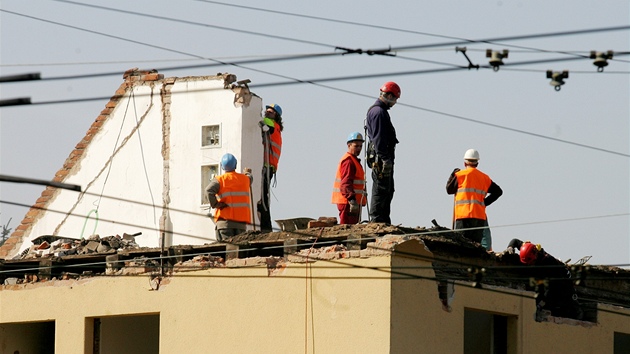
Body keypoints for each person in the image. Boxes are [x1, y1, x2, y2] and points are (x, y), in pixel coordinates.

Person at [506, 238, 582, 320]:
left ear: (535, 257)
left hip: (562, 281)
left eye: (531, 263)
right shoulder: (528, 248)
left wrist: (542, 303)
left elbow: (551, 289)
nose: (530, 265)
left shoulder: (548, 263)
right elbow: (515, 241)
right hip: (546, 278)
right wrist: (510, 247)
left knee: (565, 305)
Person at [446, 149, 502, 248]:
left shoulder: (459, 176)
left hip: (463, 217)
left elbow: (449, 190)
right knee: (475, 248)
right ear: (477, 163)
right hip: (479, 217)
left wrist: (452, 175)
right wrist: (484, 203)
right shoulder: (485, 178)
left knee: (460, 246)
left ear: (464, 163)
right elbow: (498, 191)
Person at [365, 81, 400, 224]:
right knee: (381, 189)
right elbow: (379, 139)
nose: (395, 102)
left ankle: (383, 220)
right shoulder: (378, 112)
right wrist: (385, 160)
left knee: (388, 190)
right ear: (390, 95)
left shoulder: (379, 111)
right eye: (395, 99)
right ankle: (377, 221)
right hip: (381, 159)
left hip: (382, 157)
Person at [206, 153, 253, 241]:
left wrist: (216, 204)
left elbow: (208, 190)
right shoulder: (245, 179)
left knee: (226, 251)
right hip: (241, 225)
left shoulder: (220, 180)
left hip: (224, 224)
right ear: (235, 165)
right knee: (239, 251)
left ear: (222, 167)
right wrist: (247, 173)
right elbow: (250, 178)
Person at [257, 103, 283, 232]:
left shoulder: (271, 124)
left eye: (270, 112)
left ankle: (265, 227)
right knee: (264, 196)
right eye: (266, 111)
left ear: (276, 116)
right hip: (270, 166)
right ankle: (265, 225)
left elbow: (258, 120)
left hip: (267, 166)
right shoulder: (276, 128)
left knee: (263, 197)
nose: (267, 113)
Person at [332, 132, 368, 224]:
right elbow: (346, 183)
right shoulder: (348, 161)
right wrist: (352, 200)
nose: (359, 149)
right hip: (348, 202)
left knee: (352, 229)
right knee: (347, 229)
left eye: (360, 146)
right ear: (349, 145)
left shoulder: (353, 160)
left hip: (352, 202)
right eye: (356, 146)